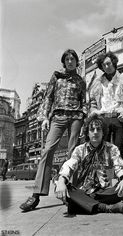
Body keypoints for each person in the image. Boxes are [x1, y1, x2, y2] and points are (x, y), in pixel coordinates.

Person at [20, 49, 87, 212]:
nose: (70, 61)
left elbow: (84, 101)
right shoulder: (56, 77)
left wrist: (84, 117)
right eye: (67, 59)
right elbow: (48, 98)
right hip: (58, 117)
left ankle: (72, 193)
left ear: (76, 62)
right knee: (47, 150)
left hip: (76, 117)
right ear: (63, 61)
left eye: (73, 59)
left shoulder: (81, 81)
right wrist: (43, 118)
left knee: (73, 153)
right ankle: (36, 195)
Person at [55, 114, 123, 215]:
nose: (95, 132)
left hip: (104, 192)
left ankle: (81, 205)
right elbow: (69, 165)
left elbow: (120, 167)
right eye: (92, 129)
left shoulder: (112, 148)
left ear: (103, 132)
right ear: (87, 132)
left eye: (98, 129)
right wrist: (61, 181)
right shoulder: (79, 149)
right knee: (59, 187)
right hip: (83, 191)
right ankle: (107, 207)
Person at [88, 51, 123, 163]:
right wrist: (94, 111)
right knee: (101, 151)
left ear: (114, 63)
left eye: (108, 63)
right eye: (103, 65)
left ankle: (122, 178)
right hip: (102, 118)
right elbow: (92, 102)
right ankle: (103, 180)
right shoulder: (97, 82)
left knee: (119, 151)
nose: (106, 66)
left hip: (119, 118)